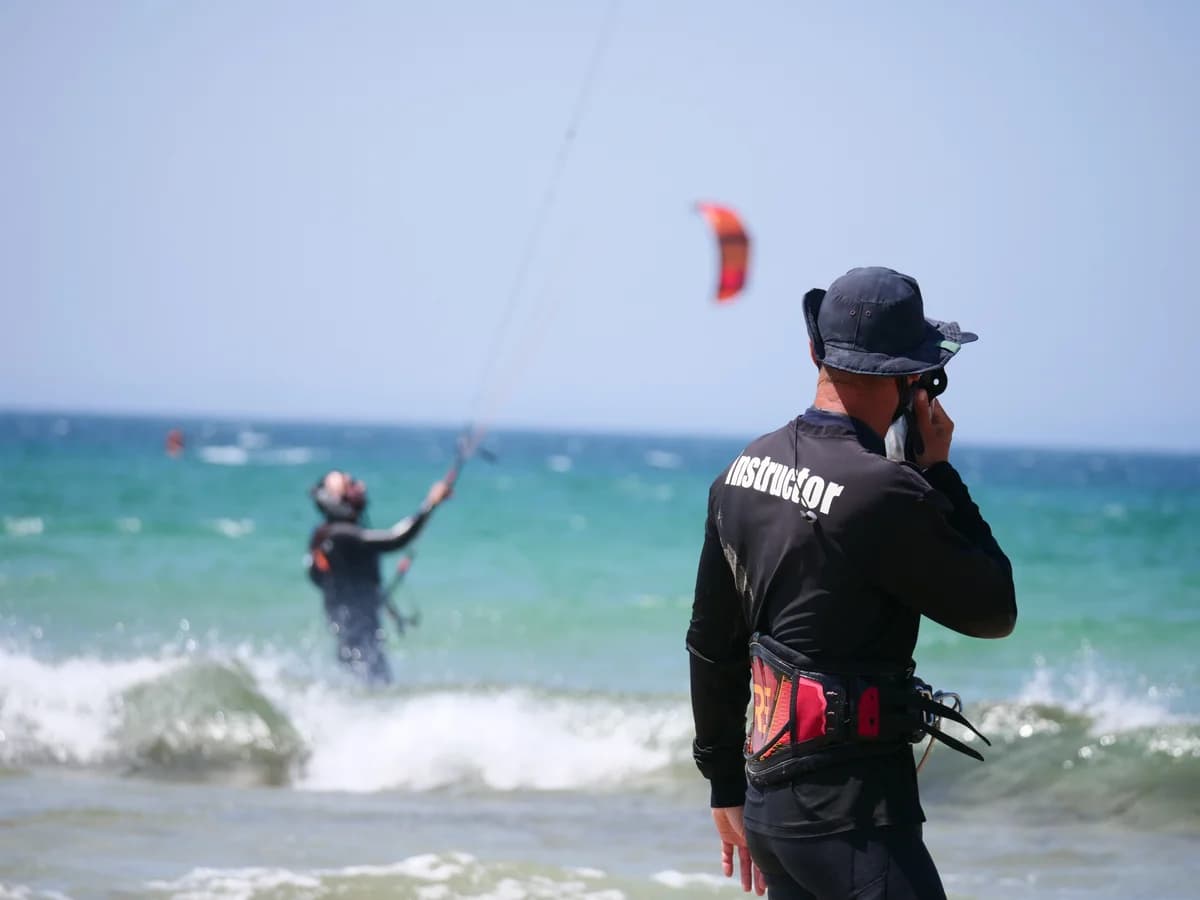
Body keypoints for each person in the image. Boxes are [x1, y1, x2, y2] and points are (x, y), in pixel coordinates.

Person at [687, 266, 1017, 899]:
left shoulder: (742, 469)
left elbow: (711, 643)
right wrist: (941, 477)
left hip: (770, 811)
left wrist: (722, 784)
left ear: (817, 351)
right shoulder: (888, 489)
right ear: (914, 379)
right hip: (857, 821)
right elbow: (993, 610)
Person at [306, 469, 451, 685]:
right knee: (376, 685)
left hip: (352, 633)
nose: (360, 486)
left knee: (372, 687)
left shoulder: (326, 536)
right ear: (335, 500)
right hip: (356, 636)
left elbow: (319, 578)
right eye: (349, 485)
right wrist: (431, 503)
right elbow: (396, 538)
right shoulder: (340, 535)